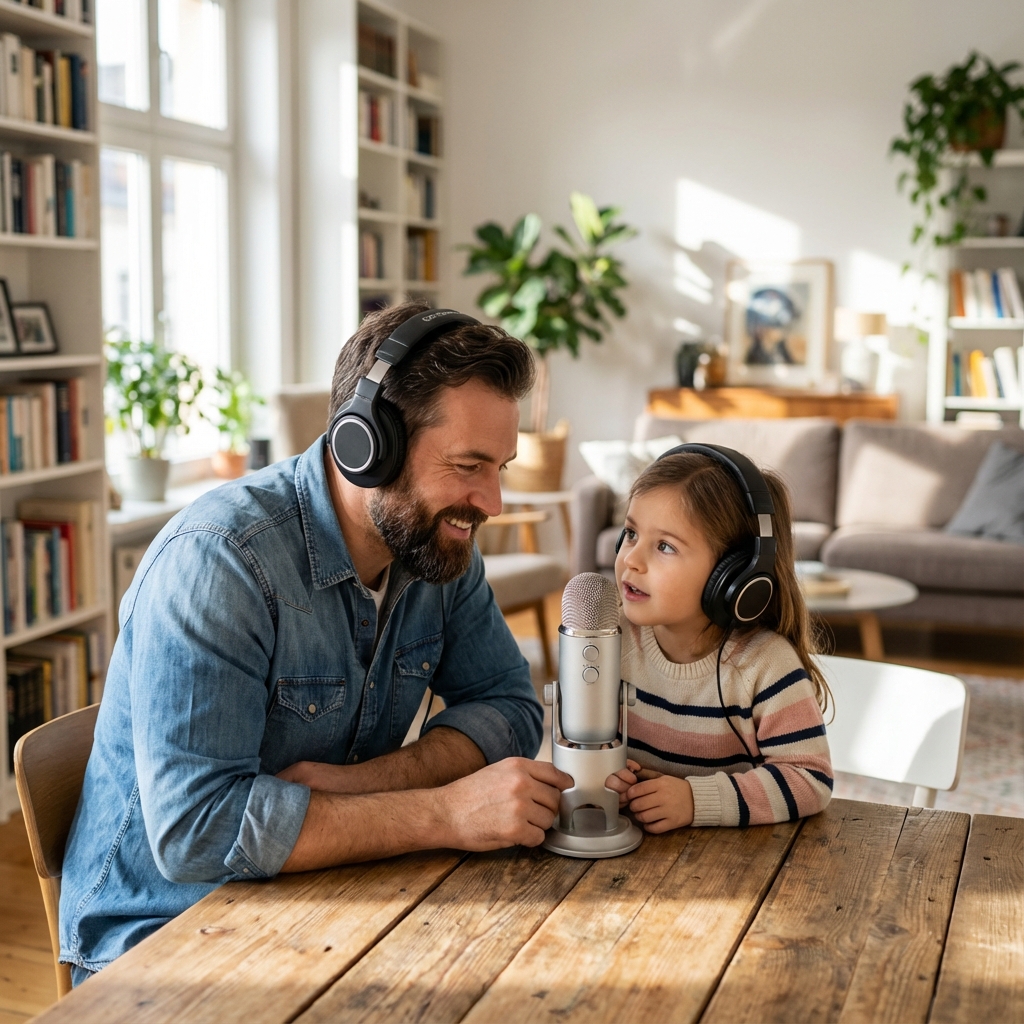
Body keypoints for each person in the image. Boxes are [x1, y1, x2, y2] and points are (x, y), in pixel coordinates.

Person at [60, 301, 572, 985]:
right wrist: (442, 812)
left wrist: (362, 786)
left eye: (499, 467)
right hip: (165, 940)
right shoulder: (220, 562)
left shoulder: (435, 547)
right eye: (468, 465)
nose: (493, 502)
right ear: (369, 445)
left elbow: (509, 704)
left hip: (328, 894)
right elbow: (197, 830)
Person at [605, 449, 833, 830]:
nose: (631, 559)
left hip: (733, 860)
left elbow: (810, 778)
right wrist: (603, 767)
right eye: (631, 534)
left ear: (733, 577)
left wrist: (696, 800)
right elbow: (582, 739)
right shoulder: (610, 637)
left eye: (665, 546)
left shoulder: (764, 666)